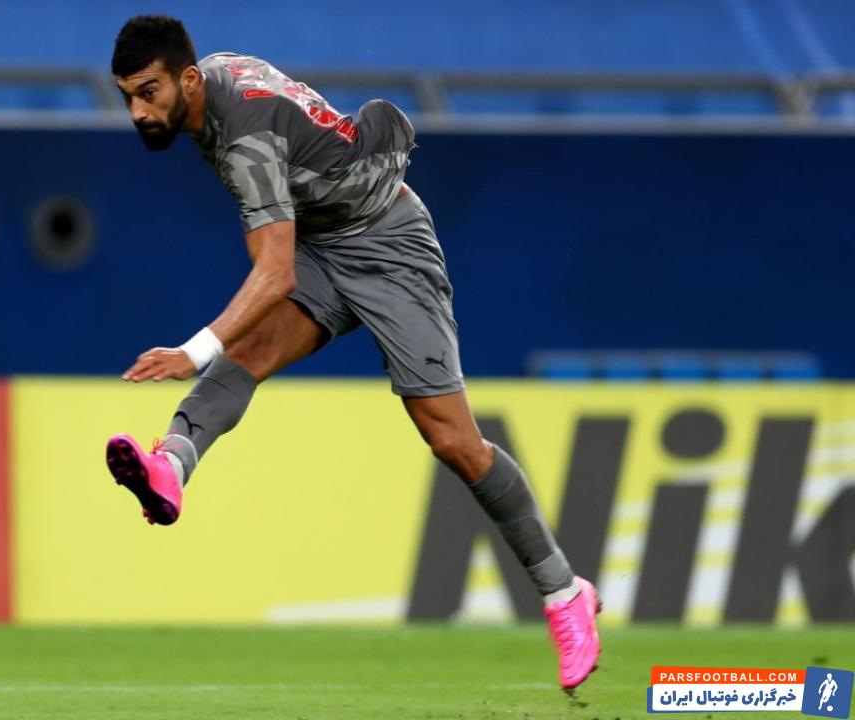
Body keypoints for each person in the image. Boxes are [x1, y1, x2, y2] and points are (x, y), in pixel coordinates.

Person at [104, 14, 601, 690]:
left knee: (453, 441)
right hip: (325, 241)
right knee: (248, 354)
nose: (138, 111)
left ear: (188, 79)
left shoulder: (241, 136)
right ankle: (169, 466)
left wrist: (194, 349)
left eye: (149, 92)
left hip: (389, 244)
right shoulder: (214, 80)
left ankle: (565, 592)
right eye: (129, 96)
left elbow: (274, 272)